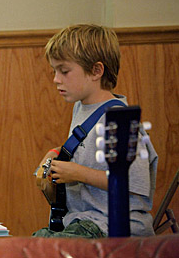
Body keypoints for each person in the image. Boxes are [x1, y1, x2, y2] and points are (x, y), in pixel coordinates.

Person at [33, 24, 157, 238]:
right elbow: (84, 151)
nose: (55, 79)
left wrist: (78, 174)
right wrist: (55, 154)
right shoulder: (81, 107)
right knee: (38, 241)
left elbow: (132, 181)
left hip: (113, 224)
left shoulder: (118, 120)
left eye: (64, 71)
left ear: (96, 71)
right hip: (84, 220)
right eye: (55, 71)